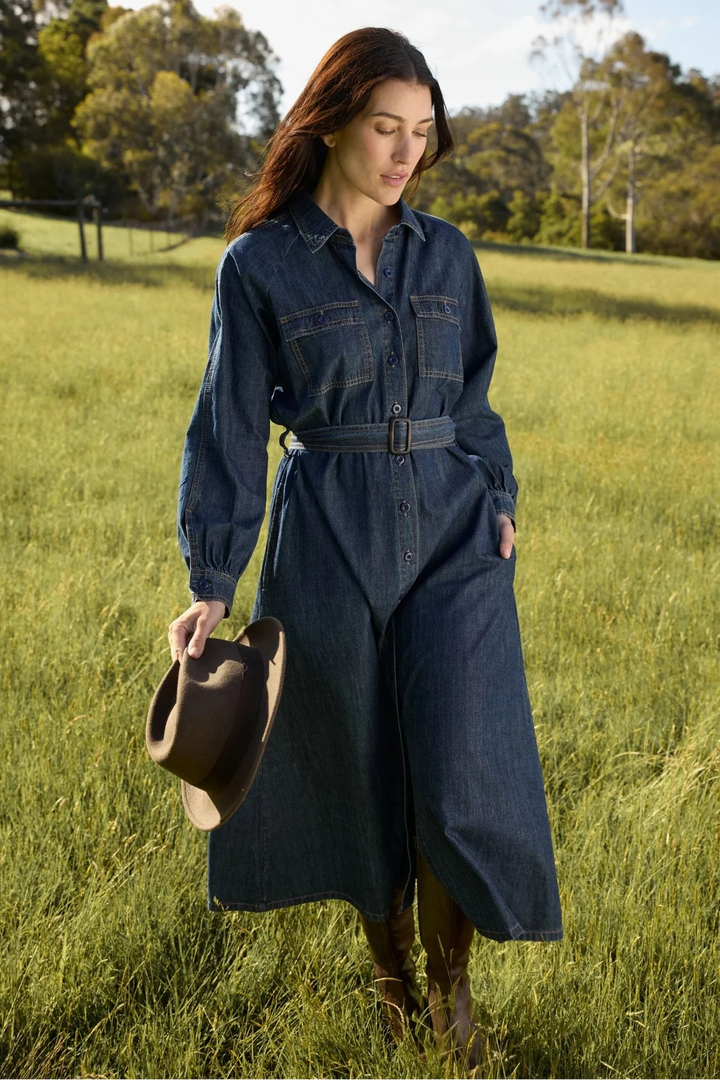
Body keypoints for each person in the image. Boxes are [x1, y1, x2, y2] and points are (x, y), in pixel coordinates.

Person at [168, 26, 563, 1071]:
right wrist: (212, 579)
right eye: (386, 127)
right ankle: (392, 982)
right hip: (329, 530)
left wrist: (499, 491)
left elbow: (475, 393)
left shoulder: (448, 254)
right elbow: (230, 421)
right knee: (362, 769)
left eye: (422, 133)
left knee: (459, 767)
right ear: (334, 121)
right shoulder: (259, 265)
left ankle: (452, 992)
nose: (404, 153)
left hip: (454, 531)